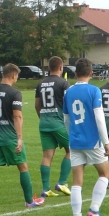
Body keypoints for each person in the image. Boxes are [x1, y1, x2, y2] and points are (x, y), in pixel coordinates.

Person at [0, 64, 44, 213]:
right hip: (10, 136)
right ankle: (29, 201)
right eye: (17, 76)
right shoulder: (15, 93)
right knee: (23, 167)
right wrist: (19, 138)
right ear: (13, 75)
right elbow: (17, 116)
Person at [62, 58, 109, 216]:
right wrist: (106, 142)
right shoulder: (94, 91)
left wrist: (72, 135)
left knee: (77, 181)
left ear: (75, 73)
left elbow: (66, 119)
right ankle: (94, 209)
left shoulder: (68, 92)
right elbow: (99, 118)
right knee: (105, 173)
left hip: (75, 141)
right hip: (92, 141)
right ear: (91, 73)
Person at [34, 56, 72, 198]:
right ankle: (62, 182)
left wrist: (43, 117)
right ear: (61, 67)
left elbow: (37, 105)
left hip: (44, 122)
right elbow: (68, 105)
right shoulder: (63, 83)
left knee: (47, 156)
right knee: (71, 150)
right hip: (58, 122)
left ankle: (45, 188)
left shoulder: (40, 84)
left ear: (49, 68)